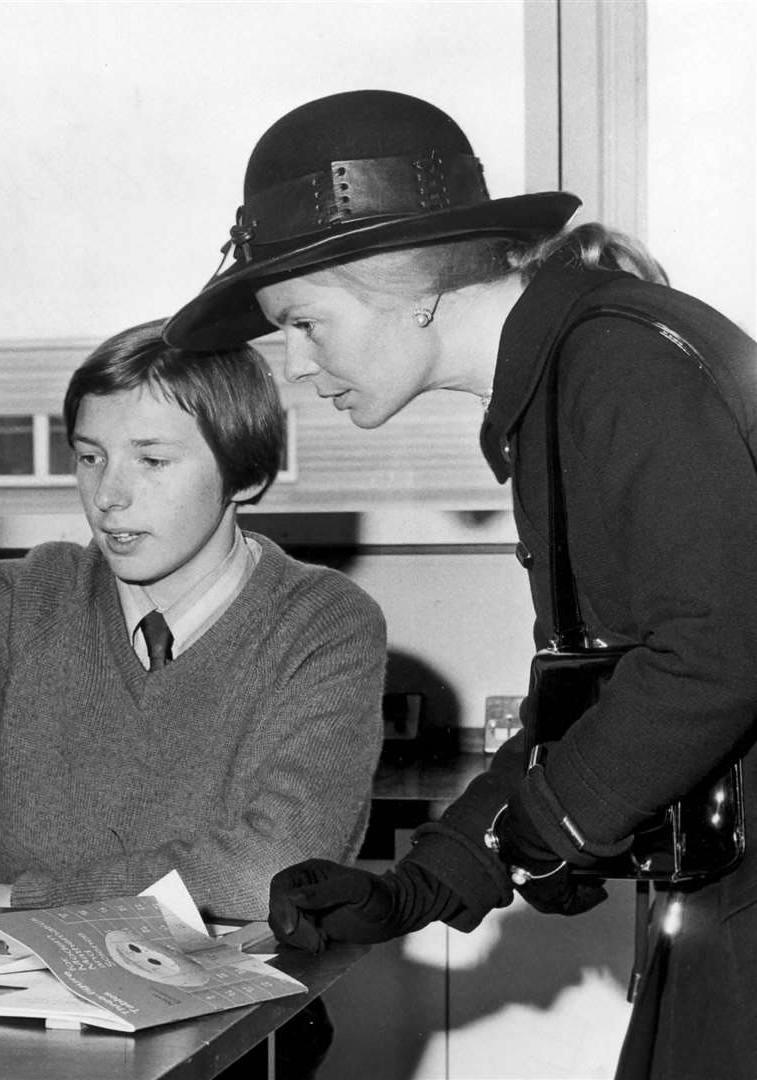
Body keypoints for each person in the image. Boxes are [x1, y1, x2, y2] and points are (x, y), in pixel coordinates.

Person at [163, 89, 757, 1079]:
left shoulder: (619, 364)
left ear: (412, 285)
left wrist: (545, 827)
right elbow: (596, 699)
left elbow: (718, 649)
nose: (297, 368)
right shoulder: (565, 373)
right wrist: (413, 889)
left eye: (303, 324)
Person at [0, 319, 386, 922]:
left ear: (245, 474)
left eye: (153, 460)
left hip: (245, 1009)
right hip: (30, 998)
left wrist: (35, 900)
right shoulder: (30, 599)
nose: (109, 494)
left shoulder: (320, 621)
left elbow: (270, 871)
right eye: (91, 457)